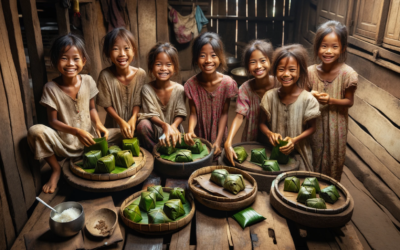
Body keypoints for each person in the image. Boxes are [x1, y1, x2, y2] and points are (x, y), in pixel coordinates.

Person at [27, 34, 109, 193]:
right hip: (63, 145)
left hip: (90, 141)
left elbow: (92, 108)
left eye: (76, 58)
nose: (70, 63)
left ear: (84, 61)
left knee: (121, 133)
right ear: (55, 61)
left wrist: (98, 124)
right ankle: (56, 169)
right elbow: (52, 121)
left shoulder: (88, 80)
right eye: (64, 58)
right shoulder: (51, 88)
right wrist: (76, 131)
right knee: (35, 131)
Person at [306, 20, 358, 181]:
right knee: (311, 154)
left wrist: (330, 100)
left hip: (336, 126)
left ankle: (329, 191)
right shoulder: (309, 73)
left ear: (342, 48)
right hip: (313, 123)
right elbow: (302, 96)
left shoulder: (348, 74)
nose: (328, 51)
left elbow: (349, 102)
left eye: (334, 47)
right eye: (324, 46)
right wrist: (309, 95)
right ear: (317, 47)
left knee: (333, 158)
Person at [259, 44, 320, 171]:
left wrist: (294, 141)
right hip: (275, 153)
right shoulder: (269, 96)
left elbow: (313, 128)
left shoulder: (308, 99)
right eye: (281, 69)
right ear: (275, 70)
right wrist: (269, 133)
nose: (286, 74)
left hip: (300, 153)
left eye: (292, 70)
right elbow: (262, 123)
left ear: (301, 71)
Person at [224, 40, 279, 166]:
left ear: (271, 61)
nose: (258, 66)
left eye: (263, 60)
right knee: (252, 166)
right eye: (253, 62)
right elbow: (239, 116)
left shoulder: (279, 84)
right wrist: (228, 141)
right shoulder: (245, 88)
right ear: (247, 67)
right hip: (252, 137)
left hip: (275, 137)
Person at [184, 32, 238, 156]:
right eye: (202, 55)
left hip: (219, 135)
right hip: (199, 137)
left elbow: (224, 114)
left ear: (220, 58)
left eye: (213, 55)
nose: (208, 60)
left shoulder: (227, 84)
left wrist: (218, 141)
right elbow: (193, 113)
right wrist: (190, 130)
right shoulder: (191, 85)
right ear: (196, 59)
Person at [97, 27, 147, 138]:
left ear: (133, 50)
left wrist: (134, 118)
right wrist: (120, 121)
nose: (122, 54)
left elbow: (138, 102)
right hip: (114, 126)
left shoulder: (140, 74)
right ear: (108, 52)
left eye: (126, 48)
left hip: (137, 125)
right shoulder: (105, 76)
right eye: (115, 49)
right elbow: (107, 104)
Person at [136, 43, 187, 151]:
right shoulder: (147, 89)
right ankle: (155, 153)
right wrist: (164, 126)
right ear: (151, 67)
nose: (163, 68)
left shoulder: (179, 89)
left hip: (174, 131)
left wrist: (172, 127)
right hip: (155, 131)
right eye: (158, 64)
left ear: (175, 68)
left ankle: (172, 149)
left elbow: (181, 112)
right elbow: (151, 114)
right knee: (142, 125)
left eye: (168, 64)